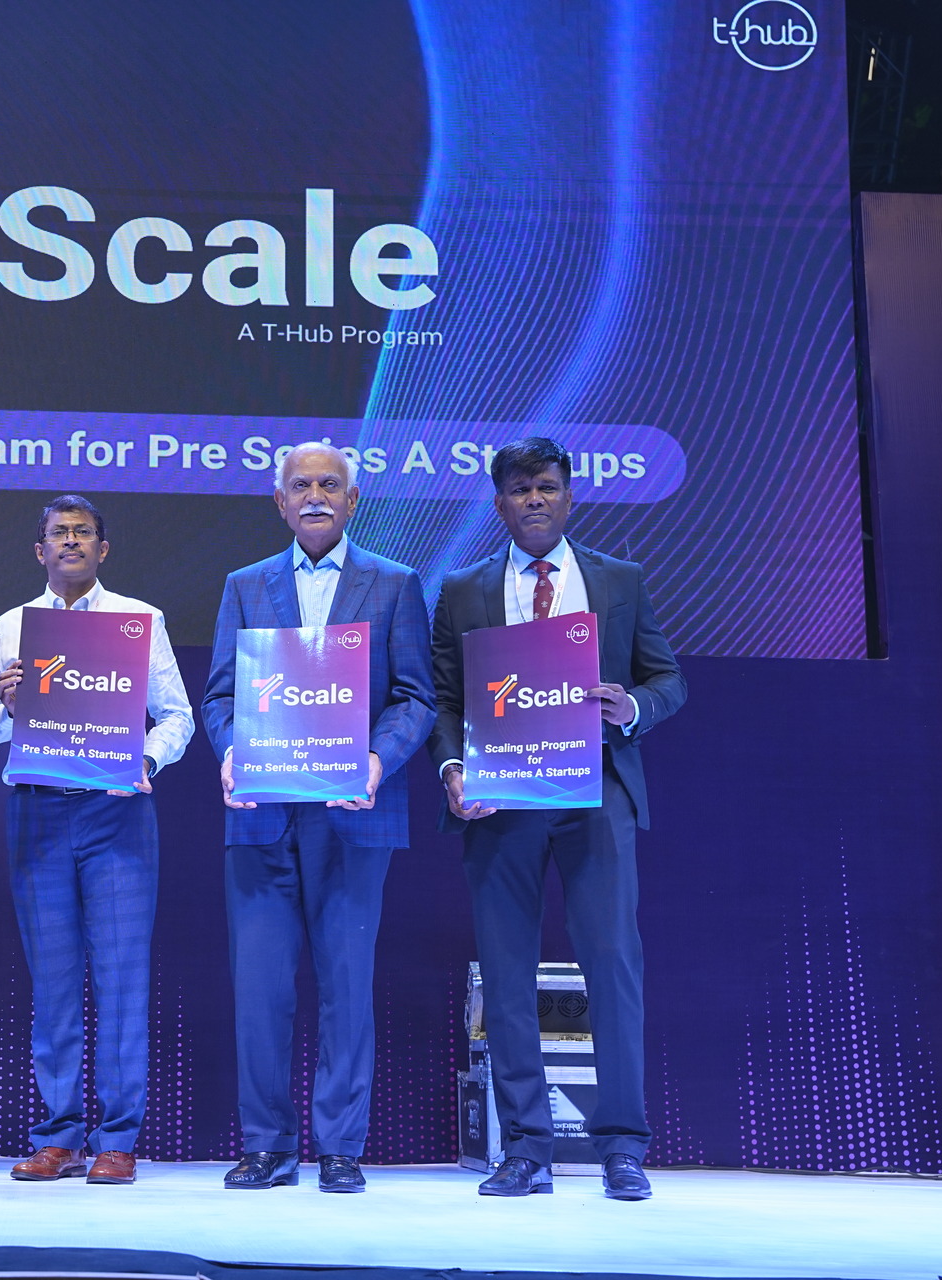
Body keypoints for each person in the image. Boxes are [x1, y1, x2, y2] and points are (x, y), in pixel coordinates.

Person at [429, 436, 686, 1201]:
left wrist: (631, 705)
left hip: (595, 791)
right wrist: (452, 770)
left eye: (545, 486)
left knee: (612, 965)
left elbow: (667, 678)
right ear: (498, 503)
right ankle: (526, 1149)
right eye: (519, 489)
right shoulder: (462, 589)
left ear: (570, 497)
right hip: (501, 800)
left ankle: (623, 1148)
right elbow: (446, 700)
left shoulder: (619, 579)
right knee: (507, 974)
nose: (533, 499)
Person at [201, 442, 435, 1193]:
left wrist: (378, 760)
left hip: (353, 813)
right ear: (279, 502)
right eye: (300, 485)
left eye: (330, 484)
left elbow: (416, 696)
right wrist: (230, 752)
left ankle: (340, 1147)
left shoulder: (394, 584)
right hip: (262, 812)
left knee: (347, 986)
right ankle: (266, 1146)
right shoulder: (244, 586)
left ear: (352, 500)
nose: (315, 496)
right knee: (260, 990)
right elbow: (220, 696)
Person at [0, 495, 195, 1186]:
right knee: (52, 983)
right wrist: (7, 706)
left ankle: (118, 1138)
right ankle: (58, 1136)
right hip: (37, 812)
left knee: (121, 978)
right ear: (39, 550)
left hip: (117, 813)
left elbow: (177, 717)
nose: (71, 541)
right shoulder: (9, 628)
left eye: (83, 532)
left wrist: (145, 760)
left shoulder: (139, 621)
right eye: (59, 533)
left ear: (102, 550)